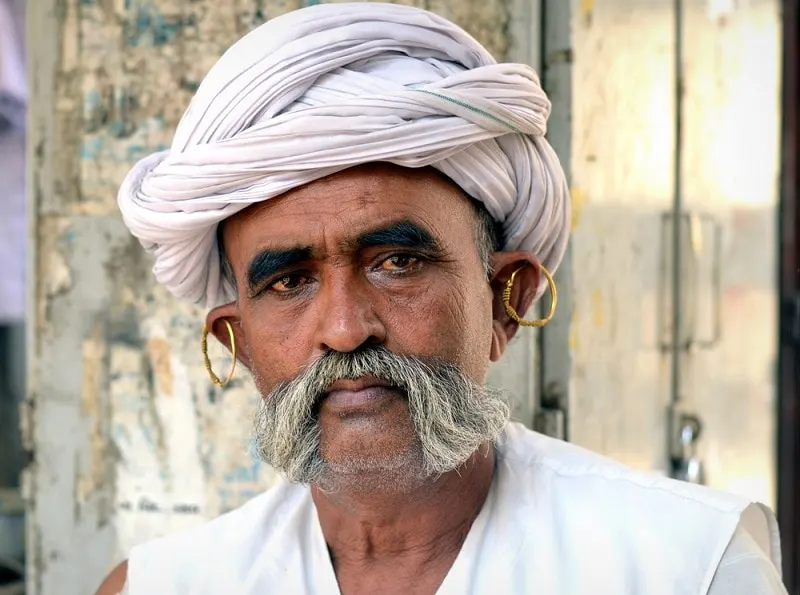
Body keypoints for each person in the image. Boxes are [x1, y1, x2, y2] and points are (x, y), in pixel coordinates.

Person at [97, 3, 786, 594]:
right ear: (236, 341)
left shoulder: (688, 566)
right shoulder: (164, 584)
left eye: (398, 262)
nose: (343, 328)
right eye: (290, 281)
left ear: (504, 300)